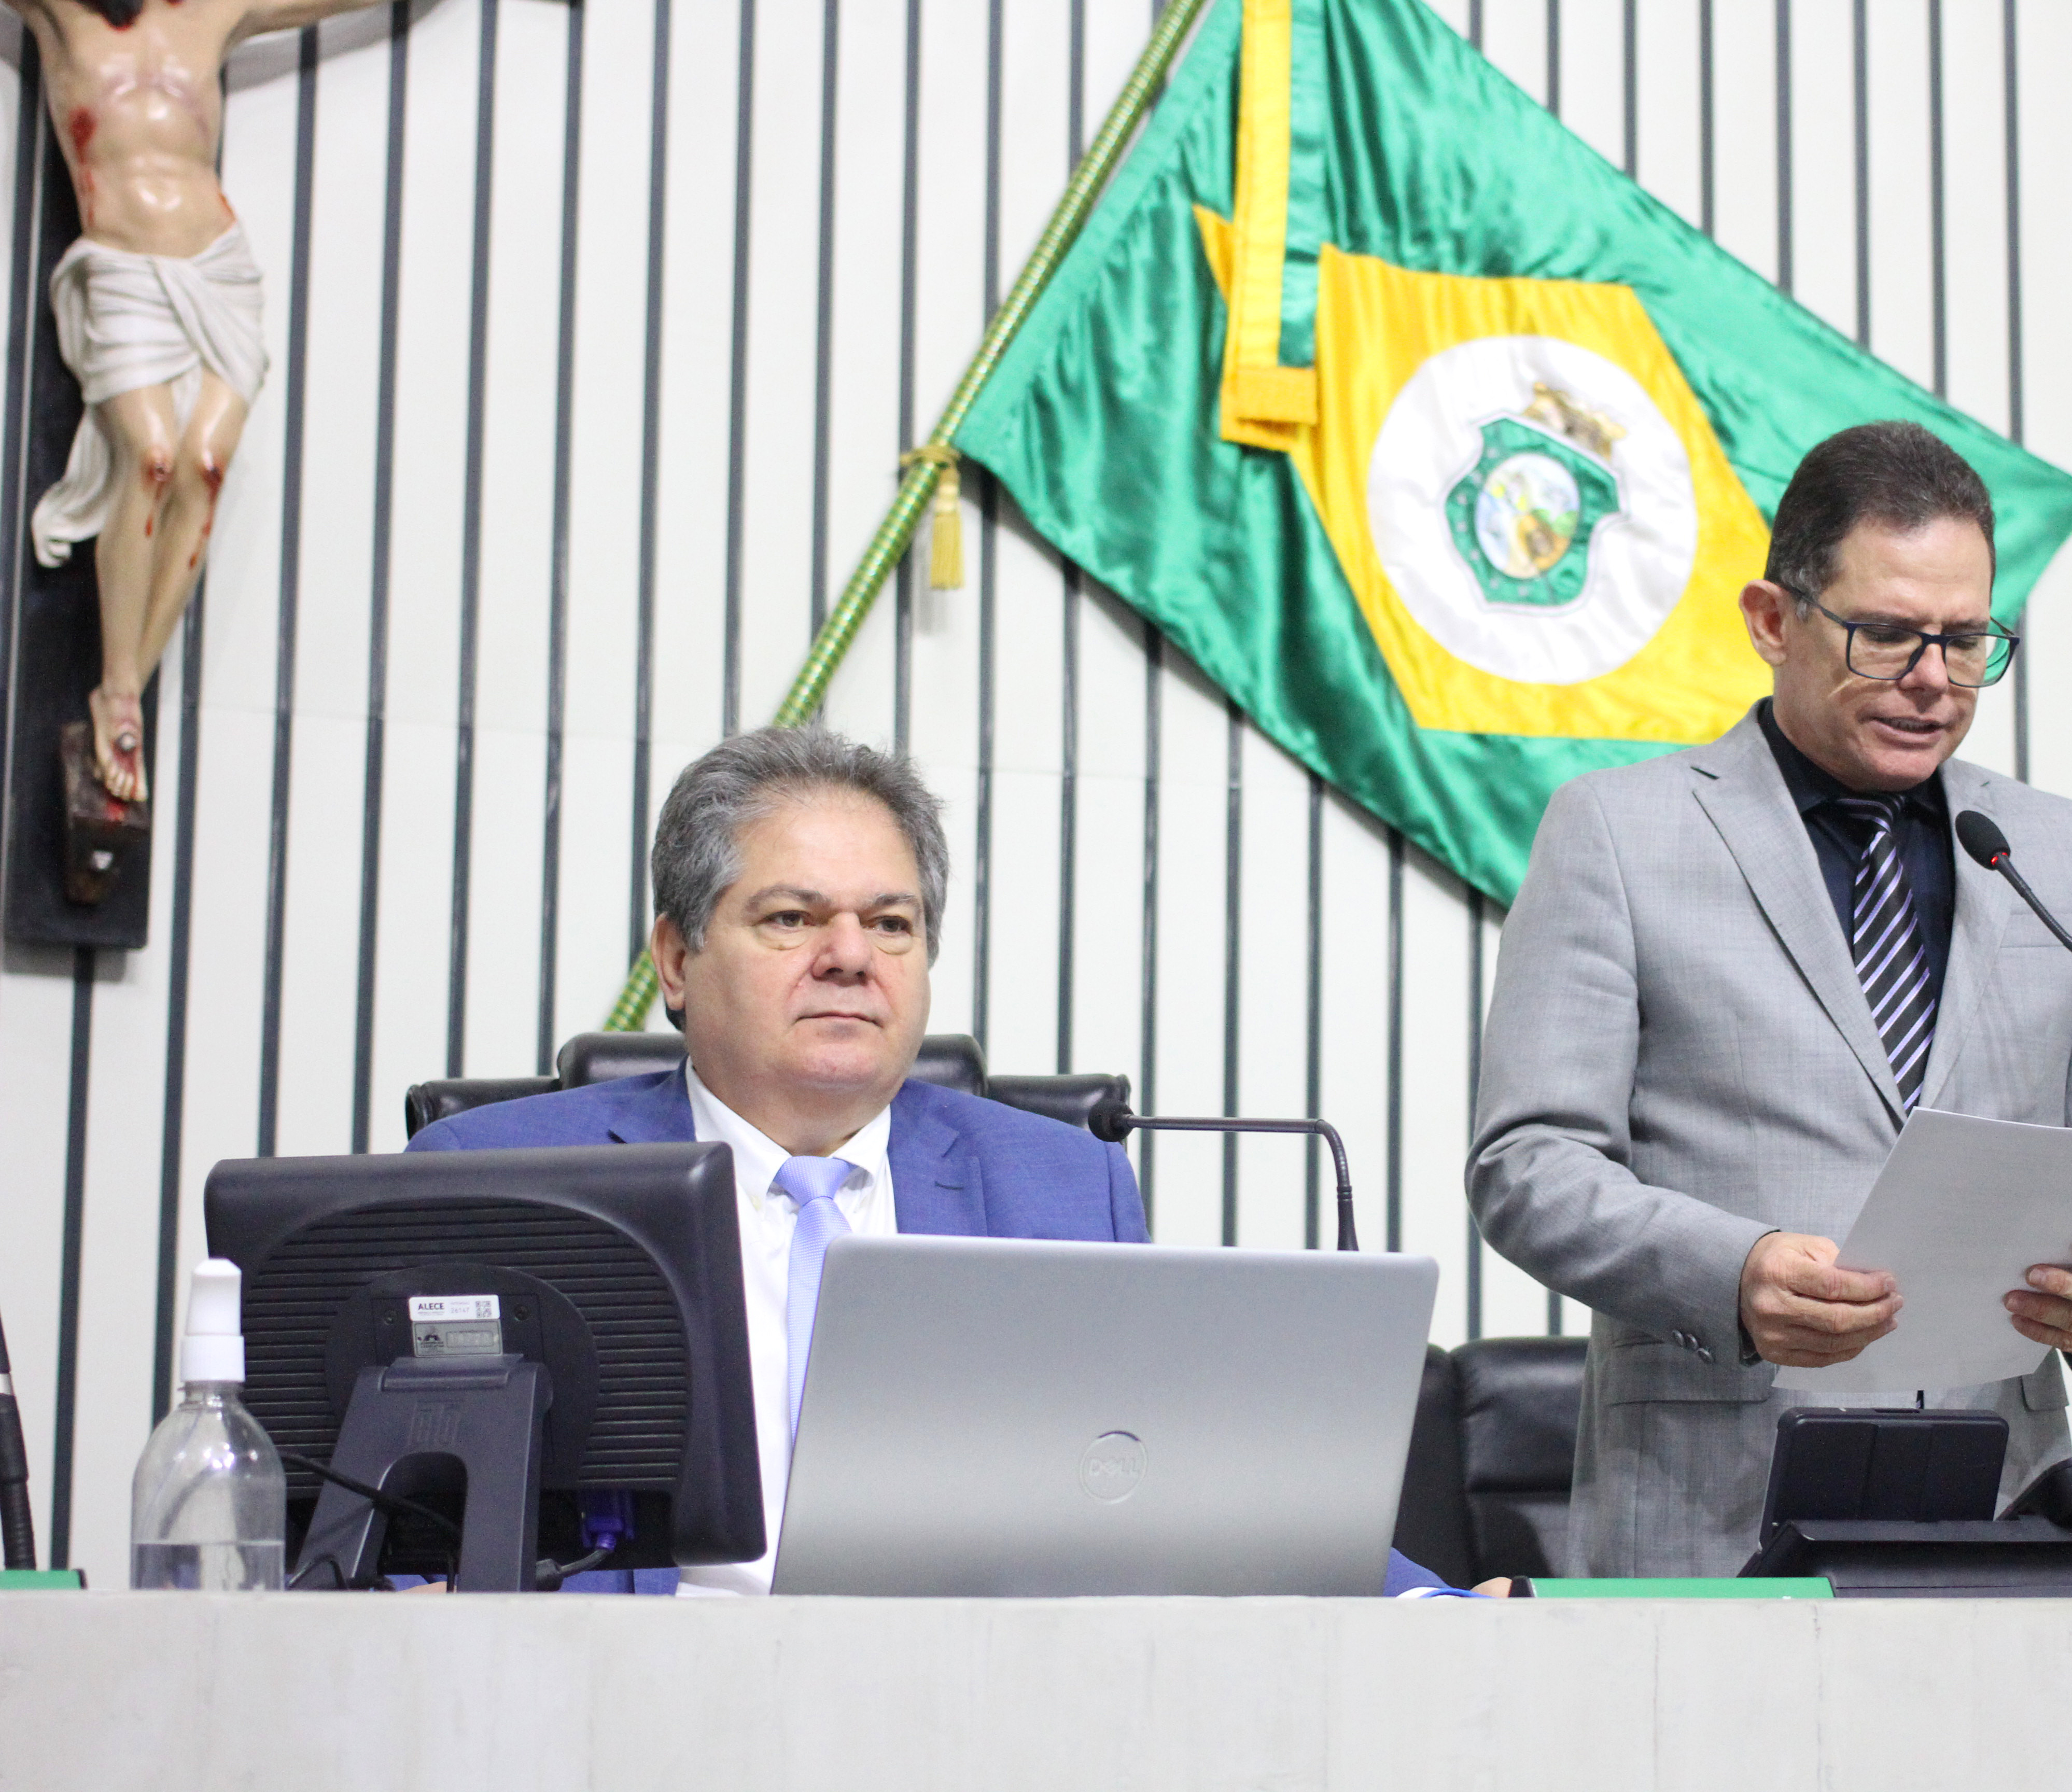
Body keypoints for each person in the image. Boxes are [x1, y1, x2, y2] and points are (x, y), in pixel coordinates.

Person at [411, 727, 1460, 1595]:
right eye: (792, 917)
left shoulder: (1057, 1186)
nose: (852, 955)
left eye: (891, 922)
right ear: (678, 961)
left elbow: (1192, 1488)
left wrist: (1426, 1607)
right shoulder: (500, 1176)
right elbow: (397, 1529)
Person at [1466, 421, 2072, 1580]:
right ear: (1772, 620)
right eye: (1888, 635)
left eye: (1965, 642)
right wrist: (1738, 1272)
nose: (1932, 682)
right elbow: (1531, 1164)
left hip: (1999, 1515)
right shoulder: (1618, 833)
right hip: (1712, 1515)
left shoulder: (2059, 852)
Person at [6, 0, 386, 802]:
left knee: (203, 468)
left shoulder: (213, 15)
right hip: (122, 271)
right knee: (148, 458)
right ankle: (117, 687)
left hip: (216, 269)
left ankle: (124, 699)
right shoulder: (61, 20)